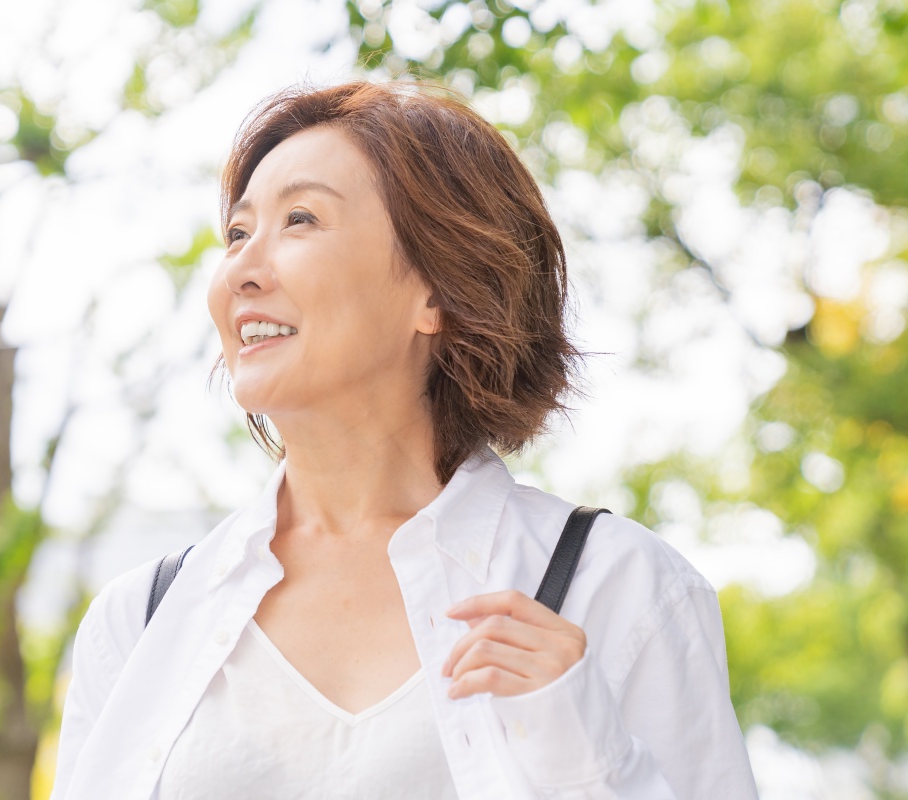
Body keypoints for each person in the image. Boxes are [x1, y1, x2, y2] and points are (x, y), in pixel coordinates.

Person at [49, 81, 758, 799]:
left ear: (437, 292)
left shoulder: (619, 589)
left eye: (300, 220)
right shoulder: (141, 620)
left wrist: (588, 759)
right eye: (237, 234)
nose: (242, 270)